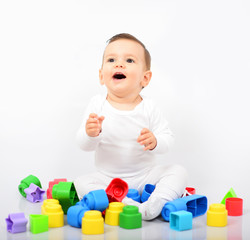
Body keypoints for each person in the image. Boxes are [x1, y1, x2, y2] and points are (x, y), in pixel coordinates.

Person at [74, 33, 188, 220]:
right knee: (81, 183)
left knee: (178, 171)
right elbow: (83, 145)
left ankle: (156, 201)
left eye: (129, 60)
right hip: (108, 179)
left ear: (145, 78)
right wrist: (90, 134)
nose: (119, 64)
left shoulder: (149, 107)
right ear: (101, 75)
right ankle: (129, 204)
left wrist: (156, 141)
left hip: (145, 176)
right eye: (111, 59)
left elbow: (168, 138)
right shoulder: (97, 105)